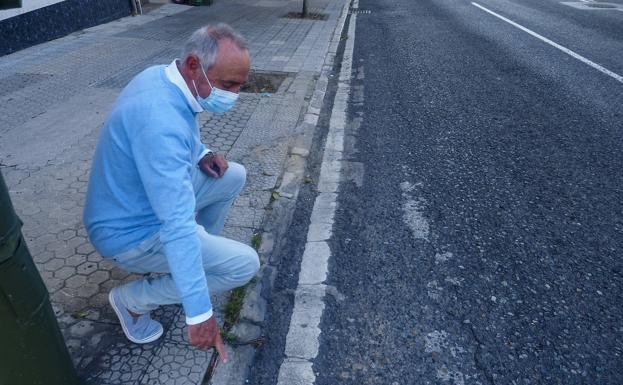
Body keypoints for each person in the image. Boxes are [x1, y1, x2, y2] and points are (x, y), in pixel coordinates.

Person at [83, 24, 259, 363]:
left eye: (240, 85)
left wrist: (201, 153)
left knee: (232, 175)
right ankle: (132, 301)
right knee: (243, 266)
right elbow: (176, 225)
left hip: (132, 202)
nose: (235, 95)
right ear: (194, 65)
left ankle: (189, 264)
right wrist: (199, 313)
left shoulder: (161, 77)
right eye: (229, 85)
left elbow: (181, 130)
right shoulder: (159, 122)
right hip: (128, 232)